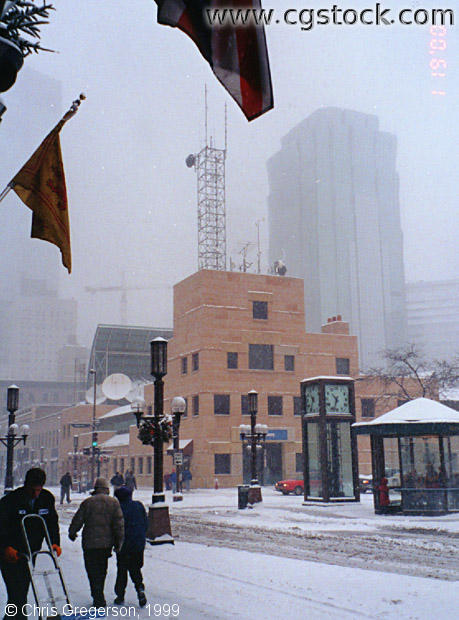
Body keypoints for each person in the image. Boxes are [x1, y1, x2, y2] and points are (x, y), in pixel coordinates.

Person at [0, 468, 61, 620]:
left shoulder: (46, 499)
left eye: (39, 490)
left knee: (22, 591)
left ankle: (14, 617)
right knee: (16, 592)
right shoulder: (10, 501)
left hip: (30, 552)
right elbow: (1, 526)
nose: (36, 494)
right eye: (33, 490)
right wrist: (6, 546)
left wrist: (54, 543)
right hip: (11, 553)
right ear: (27, 485)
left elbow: (51, 522)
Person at [68, 477, 124, 608]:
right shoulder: (114, 503)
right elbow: (119, 525)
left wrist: (72, 532)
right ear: (106, 489)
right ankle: (99, 593)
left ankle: (97, 594)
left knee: (91, 570)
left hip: (89, 543)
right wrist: (118, 543)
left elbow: (78, 519)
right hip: (105, 544)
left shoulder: (88, 503)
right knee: (102, 570)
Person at [113, 486, 148, 607]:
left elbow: (116, 527)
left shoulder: (118, 508)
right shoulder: (138, 505)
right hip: (138, 544)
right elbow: (145, 523)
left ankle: (120, 595)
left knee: (122, 570)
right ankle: (140, 588)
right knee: (135, 568)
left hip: (124, 544)